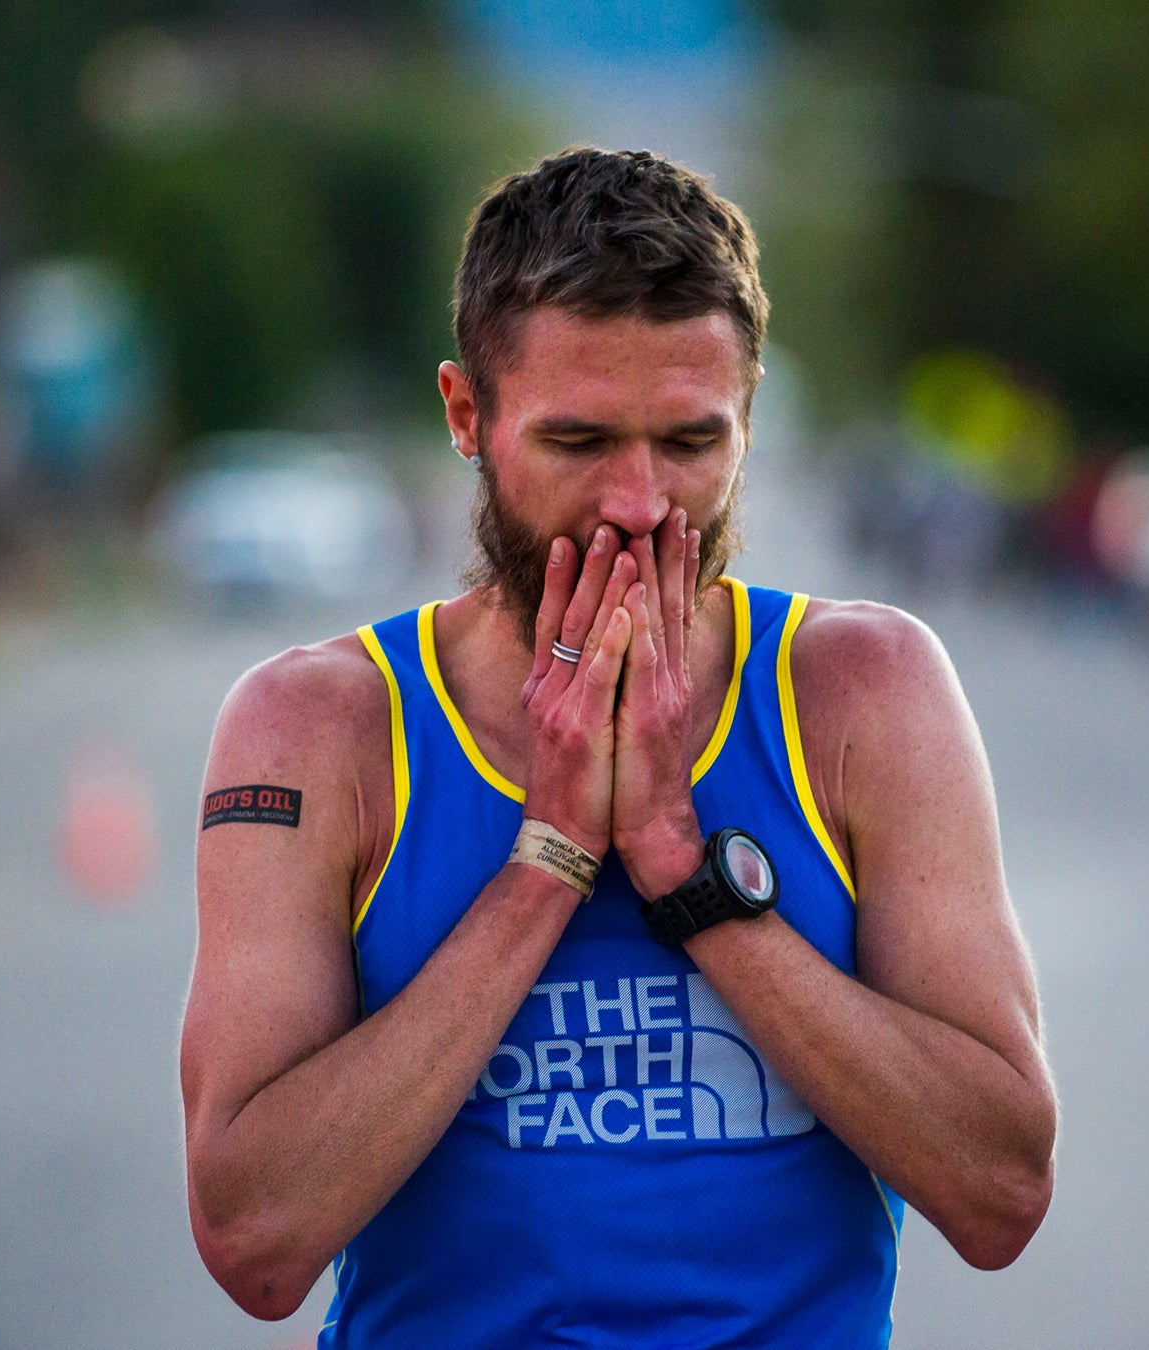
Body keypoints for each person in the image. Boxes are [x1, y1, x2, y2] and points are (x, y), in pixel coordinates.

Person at [181, 147, 1057, 1347]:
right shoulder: (315, 727)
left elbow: (1001, 1194)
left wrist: (683, 870)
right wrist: (548, 857)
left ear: (749, 415)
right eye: (581, 442)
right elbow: (255, 1241)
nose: (641, 504)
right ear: (467, 416)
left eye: (691, 443)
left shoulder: (867, 691)